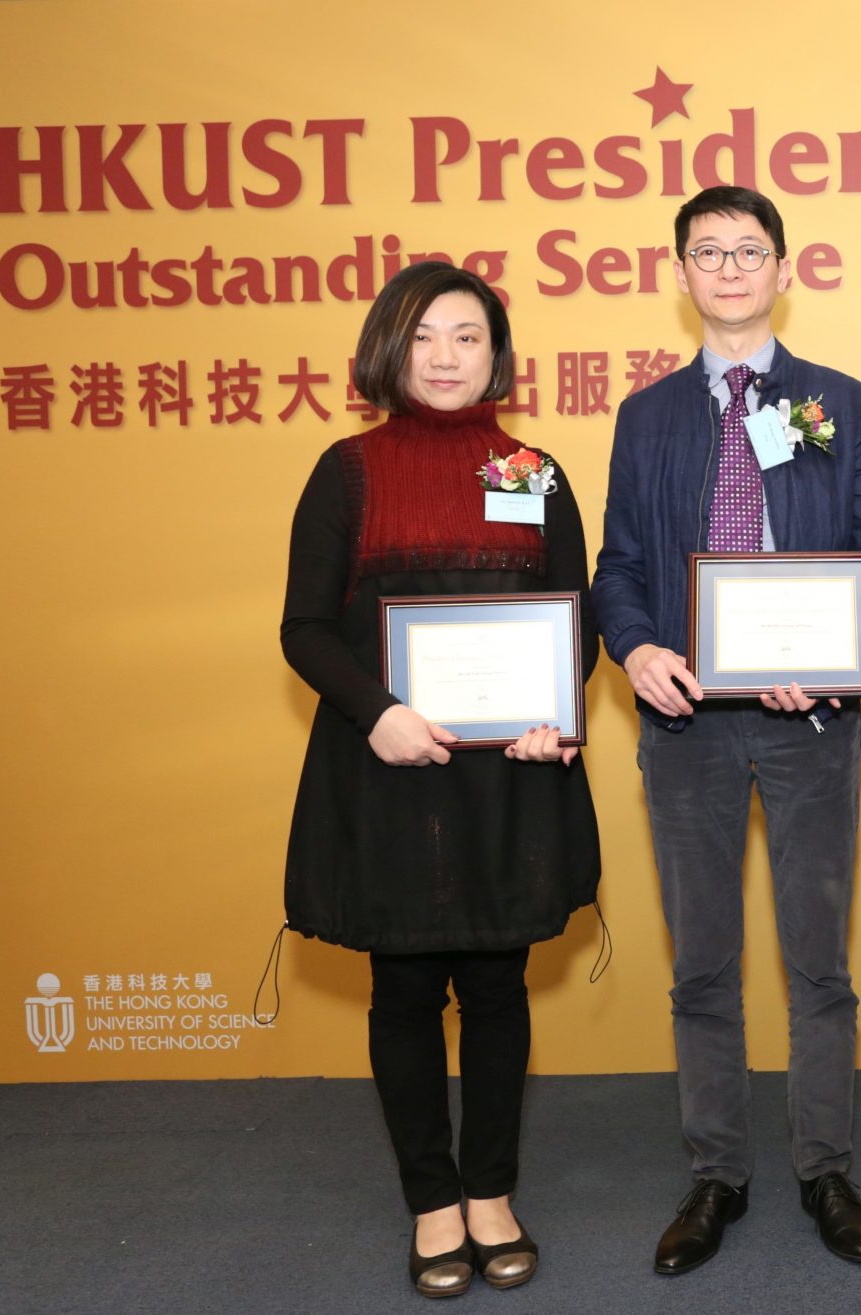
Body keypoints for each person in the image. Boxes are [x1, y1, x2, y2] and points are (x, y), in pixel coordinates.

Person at [592, 186, 861, 1273]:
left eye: (749, 250)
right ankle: (716, 1172)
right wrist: (636, 648)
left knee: (818, 964)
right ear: (680, 274)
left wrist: (825, 652)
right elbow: (619, 565)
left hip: (809, 721)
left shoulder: (840, 401)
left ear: (784, 268)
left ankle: (826, 1168)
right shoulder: (647, 417)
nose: (729, 268)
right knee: (703, 965)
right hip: (686, 725)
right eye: (708, 252)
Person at [281, 261, 598, 1297]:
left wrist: (553, 714)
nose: (446, 357)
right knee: (406, 990)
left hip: (507, 776)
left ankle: (491, 1191)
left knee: (498, 988)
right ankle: (431, 1200)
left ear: (496, 355)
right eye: (423, 336)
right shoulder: (347, 471)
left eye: (467, 336)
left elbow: (576, 620)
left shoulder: (532, 471)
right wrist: (380, 713)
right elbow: (305, 627)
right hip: (389, 765)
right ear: (388, 348)